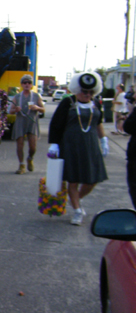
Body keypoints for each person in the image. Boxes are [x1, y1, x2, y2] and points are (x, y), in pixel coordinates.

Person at [47, 72, 109, 226]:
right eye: (84, 91)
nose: (87, 95)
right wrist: (54, 144)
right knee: (73, 181)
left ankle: (76, 199)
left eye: (90, 92)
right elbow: (56, 124)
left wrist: (104, 140)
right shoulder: (67, 102)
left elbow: (99, 122)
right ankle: (77, 210)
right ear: (77, 90)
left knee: (92, 180)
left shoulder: (96, 104)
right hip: (70, 146)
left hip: (90, 146)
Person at [9, 74, 45, 174]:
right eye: (25, 83)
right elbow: (10, 110)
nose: (27, 85)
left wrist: (37, 108)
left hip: (32, 122)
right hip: (20, 122)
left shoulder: (36, 96)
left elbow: (43, 110)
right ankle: (21, 165)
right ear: (21, 84)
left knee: (33, 147)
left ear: (32, 85)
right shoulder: (17, 96)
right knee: (20, 145)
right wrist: (16, 109)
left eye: (29, 83)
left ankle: (30, 158)